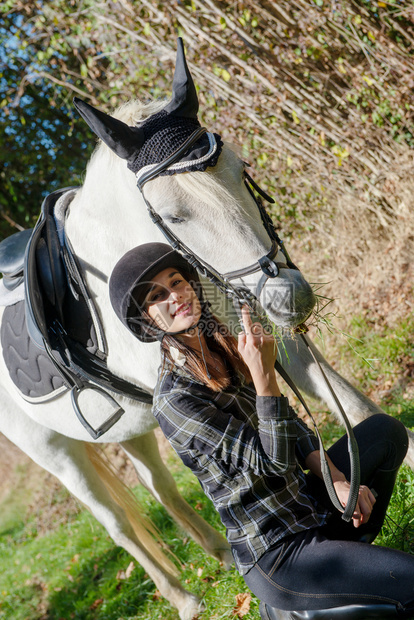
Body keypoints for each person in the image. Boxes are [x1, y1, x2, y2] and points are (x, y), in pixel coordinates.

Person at [109, 242, 414, 620]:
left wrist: (336, 480)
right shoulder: (174, 402)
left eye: (178, 281)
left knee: (385, 431)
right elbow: (272, 462)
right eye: (159, 295)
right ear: (146, 321)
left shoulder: (224, 347)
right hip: (281, 551)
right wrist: (264, 377)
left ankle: (354, 571)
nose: (177, 295)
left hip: (309, 506)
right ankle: (301, 603)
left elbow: (293, 428)